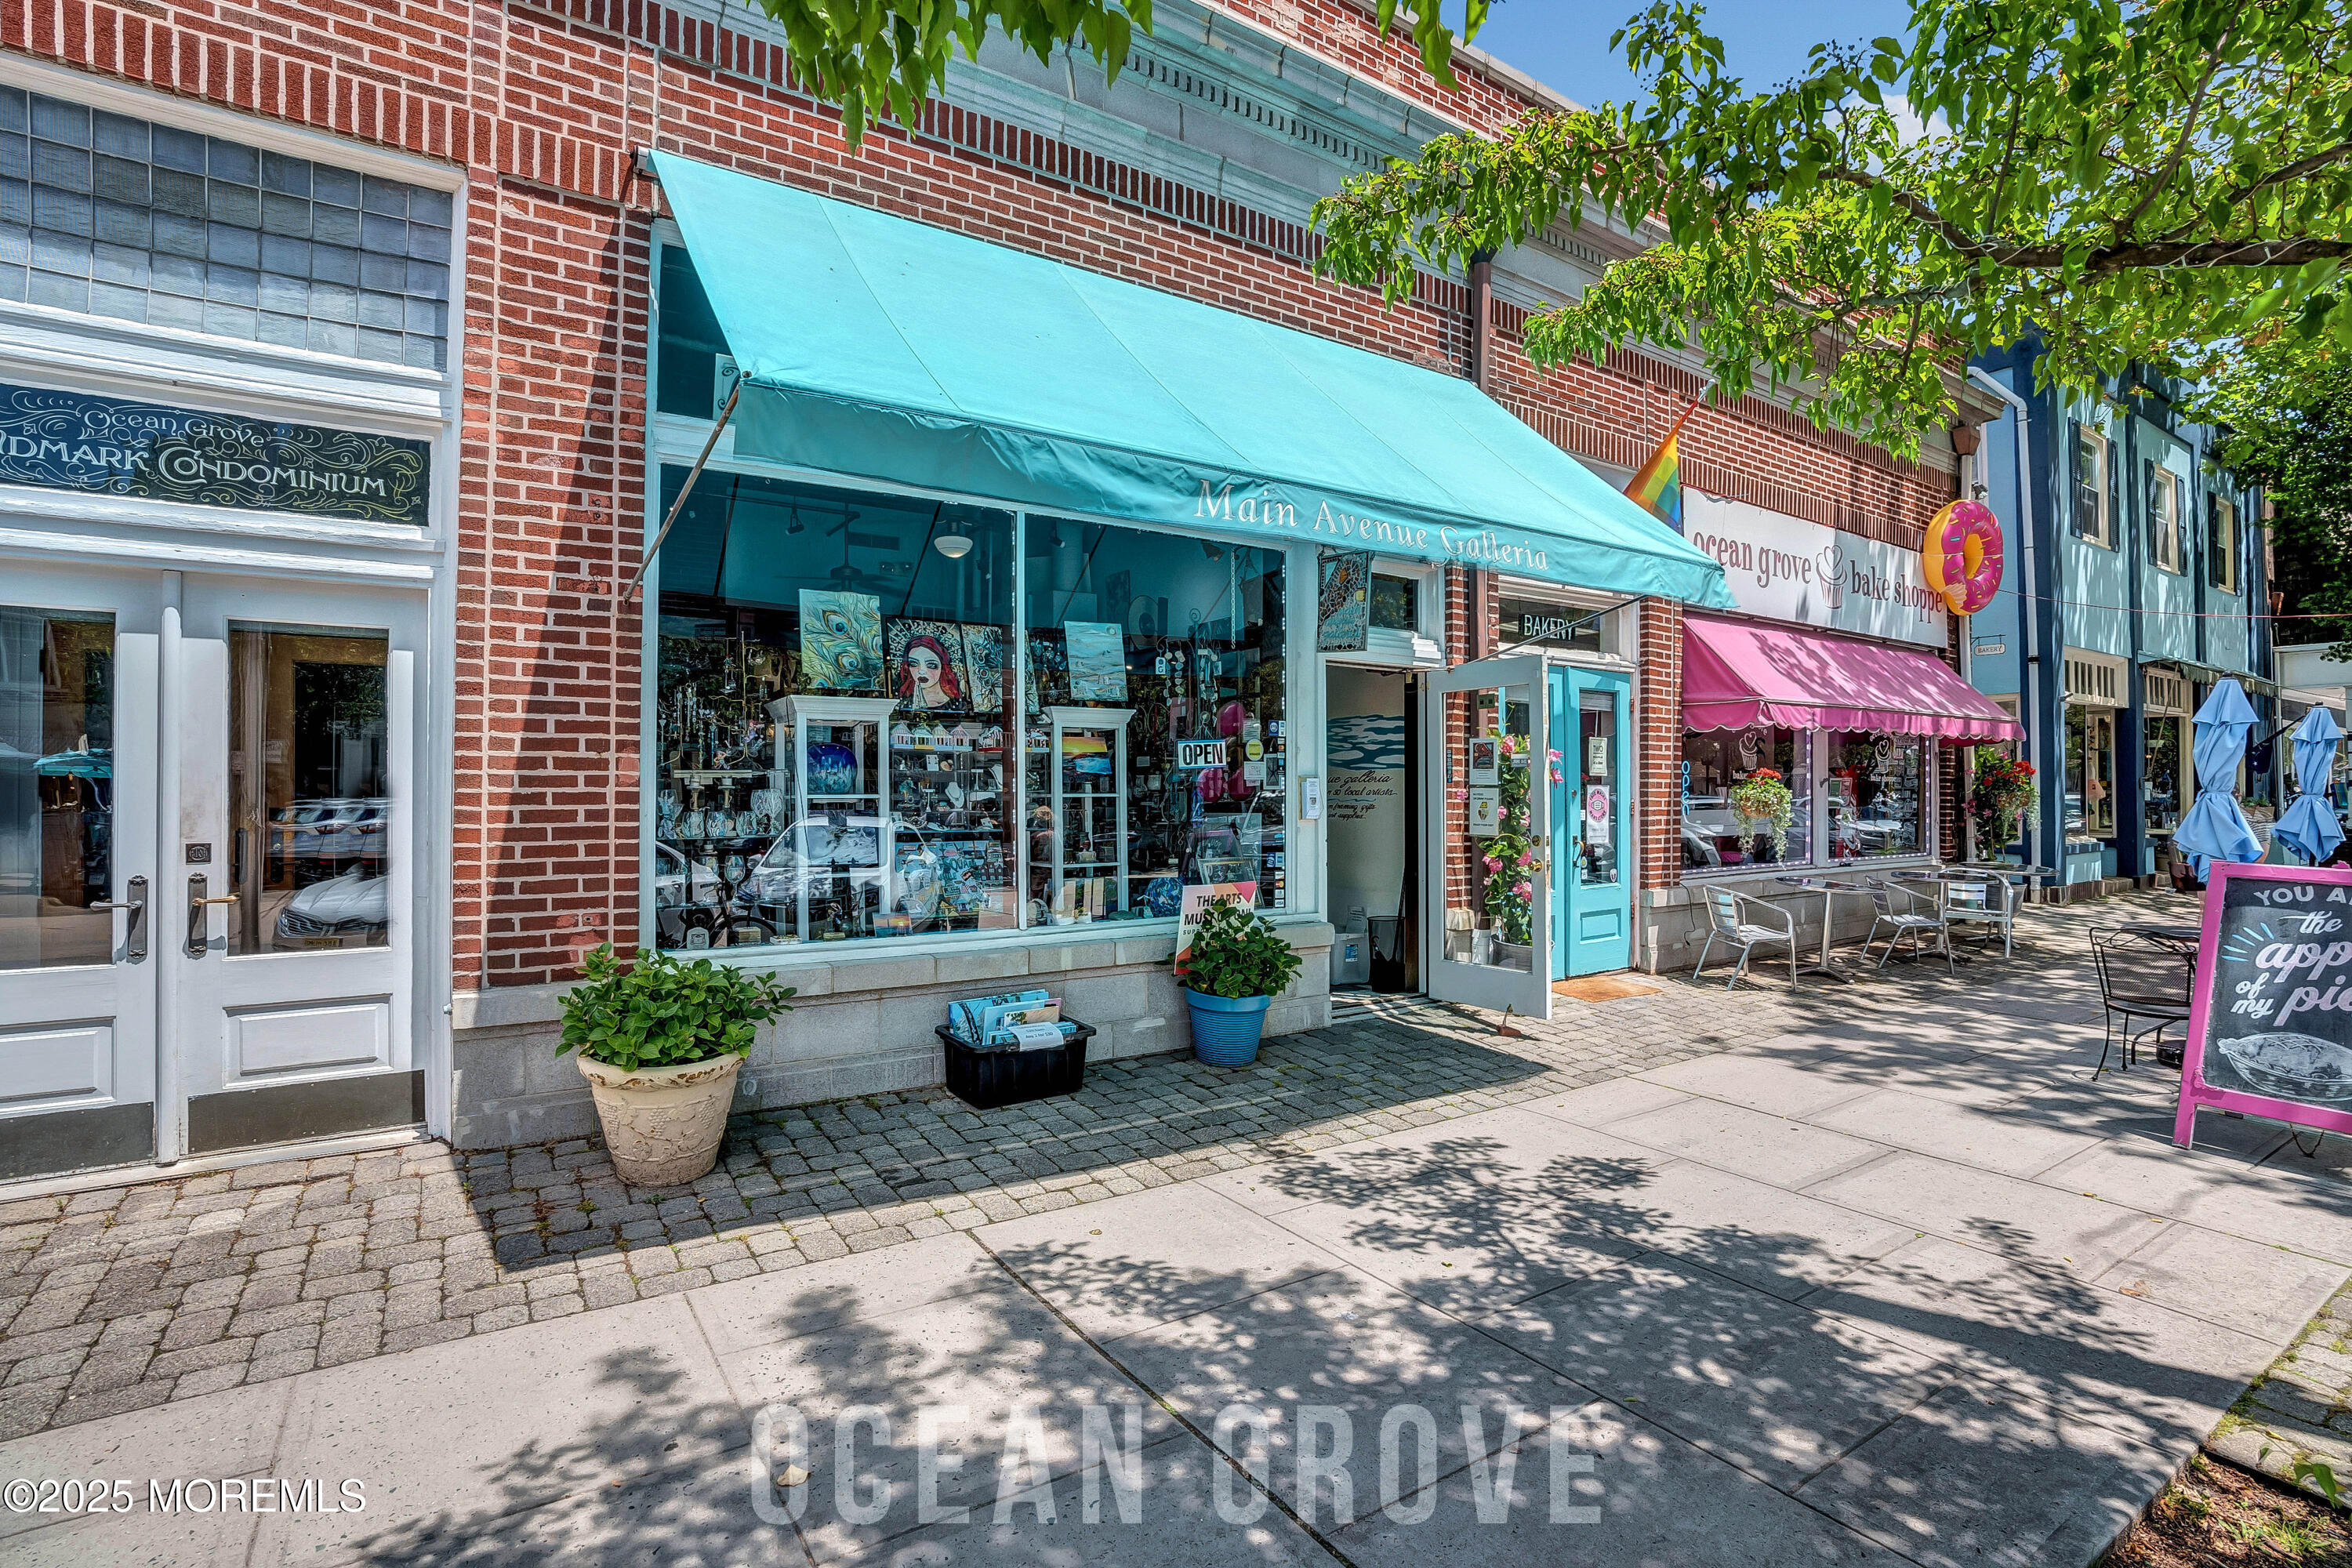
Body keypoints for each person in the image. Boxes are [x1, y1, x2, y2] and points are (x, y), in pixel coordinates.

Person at [895, 634, 964, 713]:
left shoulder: (958, 703)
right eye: (913, 664)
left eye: (931, 665)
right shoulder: (902, 702)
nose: (921, 671)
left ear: (943, 668)